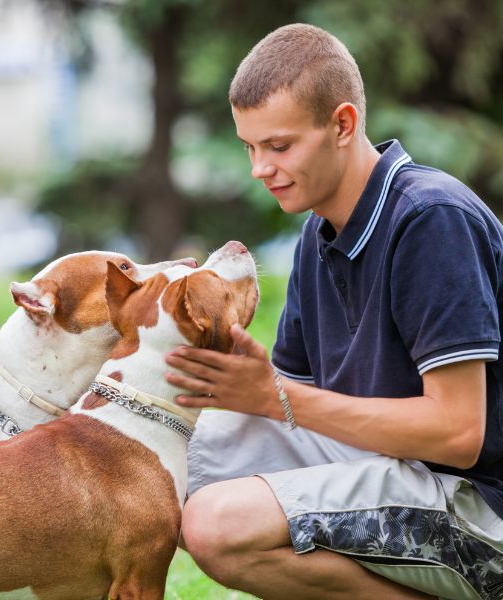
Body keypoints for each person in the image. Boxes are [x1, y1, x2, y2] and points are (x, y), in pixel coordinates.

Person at [165, 23, 503, 600]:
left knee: (216, 524)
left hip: (477, 506)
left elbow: (459, 433)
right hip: (385, 466)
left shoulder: (431, 218)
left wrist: (273, 397)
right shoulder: (317, 234)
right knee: (161, 459)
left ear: (342, 125)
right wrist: (236, 377)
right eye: (250, 147)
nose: (259, 168)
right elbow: (292, 410)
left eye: (279, 146)